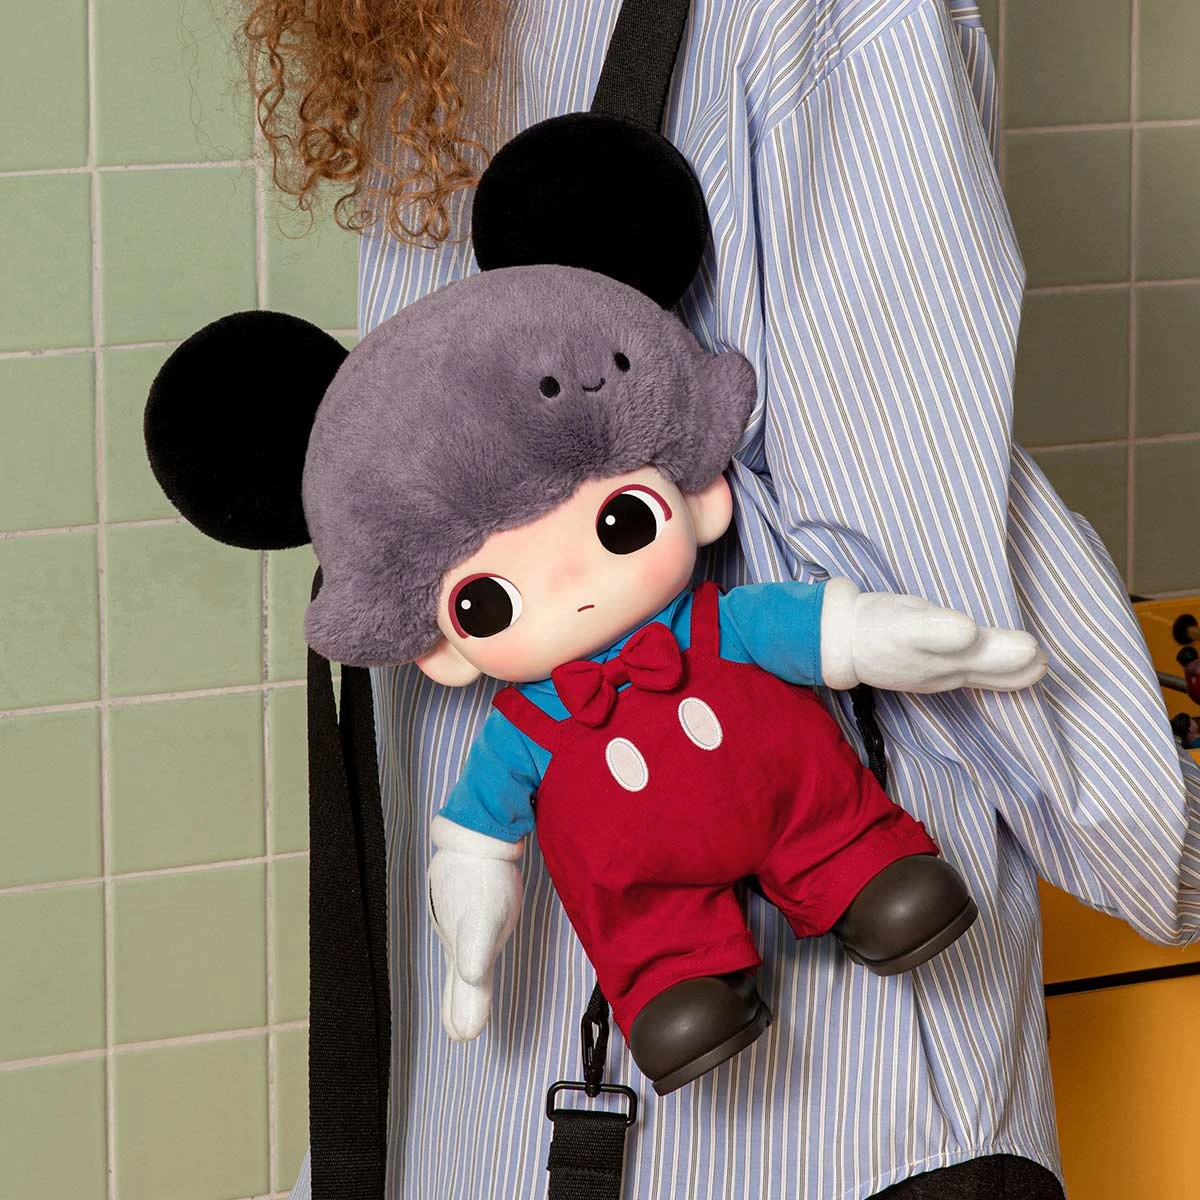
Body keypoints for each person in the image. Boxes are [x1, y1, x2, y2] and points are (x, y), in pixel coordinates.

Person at [243, 1, 1200, 1197]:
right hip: (823, 1082)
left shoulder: (420, 20)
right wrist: (1165, 844)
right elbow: (921, 533)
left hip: (497, 1052)